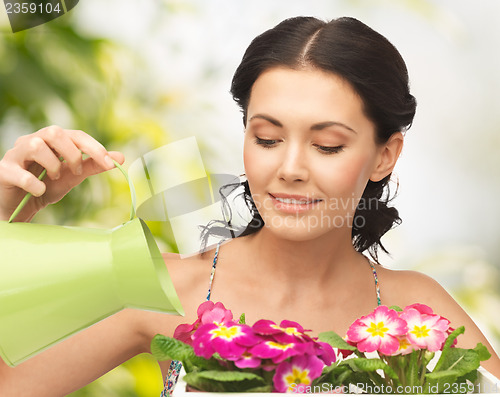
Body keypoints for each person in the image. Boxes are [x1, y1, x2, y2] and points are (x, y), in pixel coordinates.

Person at [0, 16, 499, 396]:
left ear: (384, 155)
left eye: (327, 146)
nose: (290, 168)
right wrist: (5, 211)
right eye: (266, 138)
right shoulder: (166, 289)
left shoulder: (418, 314)